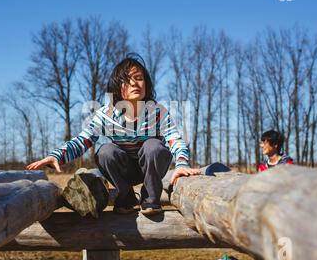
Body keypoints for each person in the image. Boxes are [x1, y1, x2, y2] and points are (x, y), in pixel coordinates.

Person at [27, 54, 200, 215]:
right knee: (105, 151)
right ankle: (126, 198)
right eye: (127, 80)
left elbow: (174, 140)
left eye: (139, 78)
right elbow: (83, 140)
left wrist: (181, 164)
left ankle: (150, 199)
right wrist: (58, 155)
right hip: (123, 170)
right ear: (117, 89)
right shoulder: (106, 115)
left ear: (146, 84)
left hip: (151, 168)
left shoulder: (157, 112)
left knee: (153, 146)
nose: (134, 83)